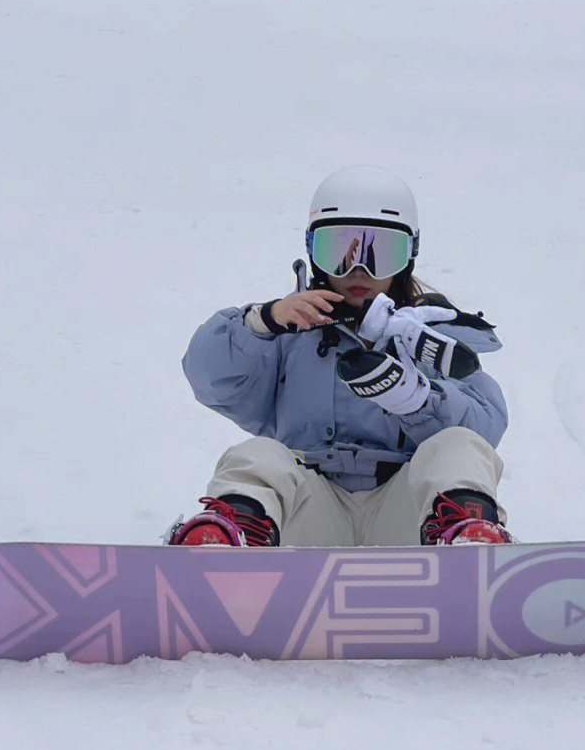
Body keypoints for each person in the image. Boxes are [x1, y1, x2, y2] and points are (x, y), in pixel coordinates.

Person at [170, 167, 511, 549]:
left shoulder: (432, 338)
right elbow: (208, 377)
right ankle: (227, 547)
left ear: (408, 257)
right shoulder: (287, 336)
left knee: (456, 448)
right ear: (312, 251)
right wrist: (263, 321)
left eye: (380, 253)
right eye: (338, 252)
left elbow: (485, 429)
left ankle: (468, 545)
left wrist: (417, 401)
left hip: (406, 518)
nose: (357, 269)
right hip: (309, 514)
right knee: (258, 456)